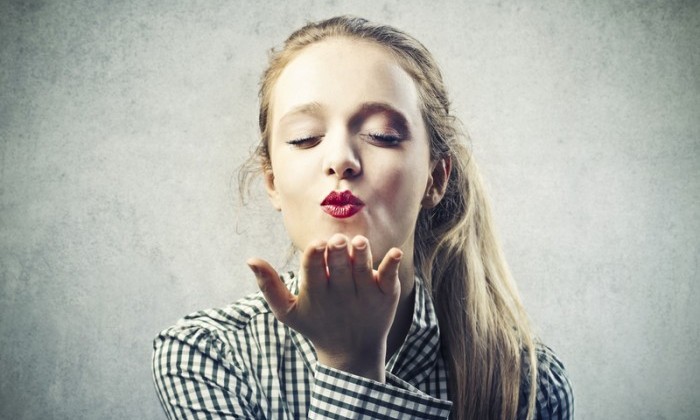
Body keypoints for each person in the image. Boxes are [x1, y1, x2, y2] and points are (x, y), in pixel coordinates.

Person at [152, 16, 574, 420]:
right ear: (273, 183)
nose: (339, 160)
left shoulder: (529, 385)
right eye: (305, 138)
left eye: (382, 136)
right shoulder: (206, 354)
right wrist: (349, 363)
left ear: (435, 178)